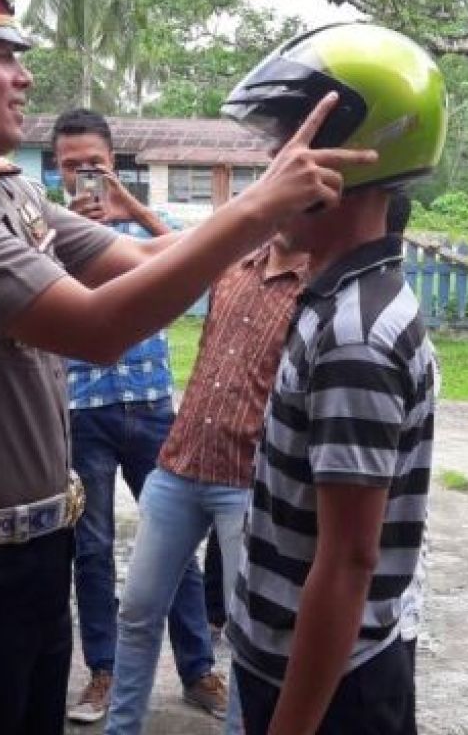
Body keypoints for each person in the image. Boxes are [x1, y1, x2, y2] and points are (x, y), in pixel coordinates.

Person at [0, 0, 374, 733]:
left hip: (32, 558)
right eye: (1, 57)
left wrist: (267, 208)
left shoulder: (7, 189)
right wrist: (257, 212)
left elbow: (141, 258)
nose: (24, 77)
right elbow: (99, 327)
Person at [221, 22, 445, 735]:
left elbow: (347, 562)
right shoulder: (336, 302)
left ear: (345, 160)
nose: (271, 171)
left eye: (288, 147)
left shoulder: (356, 334)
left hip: (327, 691)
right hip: (295, 665)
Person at [49, 108, 225, 724]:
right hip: (79, 411)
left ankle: (199, 670)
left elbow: (203, 275)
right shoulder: (42, 228)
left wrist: (136, 218)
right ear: (56, 169)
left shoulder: (150, 224)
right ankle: (102, 671)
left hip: (150, 405)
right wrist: (76, 227)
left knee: (174, 541)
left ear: (112, 165)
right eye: (72, 167)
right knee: (90, 548)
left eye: (93, 165)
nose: (83, 177)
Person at [103, 234, 308, 735]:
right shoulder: (232, 265)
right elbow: (170, 251)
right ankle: (121, 728)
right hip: (180, 464)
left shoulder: (315, 288)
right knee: (137, 611)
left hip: (248, 479)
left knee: (247, 633)